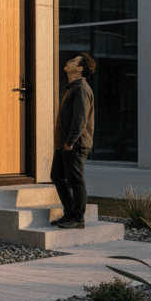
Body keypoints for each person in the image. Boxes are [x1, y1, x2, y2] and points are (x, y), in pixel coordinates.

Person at [50, 52, 96, 229]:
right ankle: (69, 213)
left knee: (75, 180)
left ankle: (78, 218)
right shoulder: (71, 87)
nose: (69, 61)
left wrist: (70, 141)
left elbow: (80, 119)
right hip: (64, 143)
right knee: (57, 176)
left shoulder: (81, 88)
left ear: (80, 69)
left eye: (74, 61)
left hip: (75, 144)